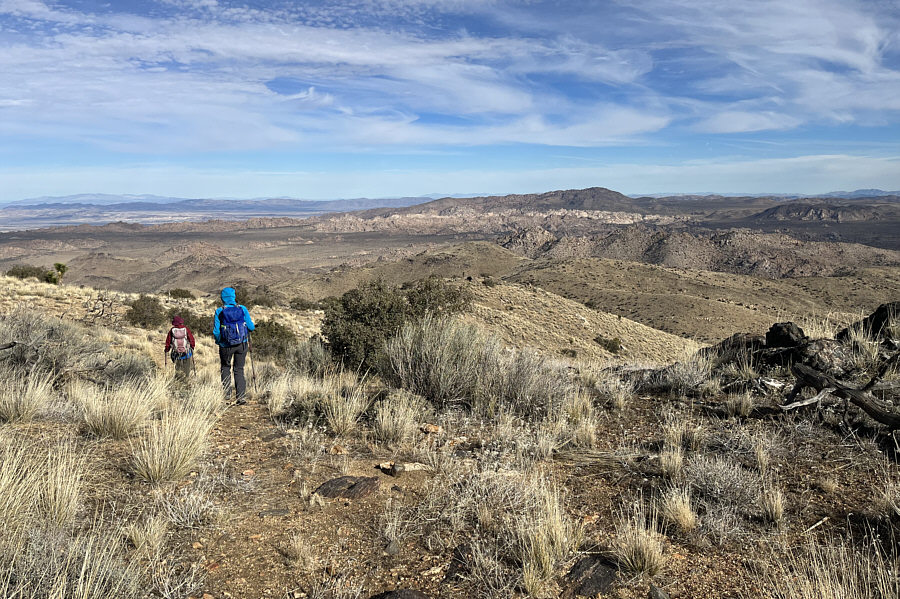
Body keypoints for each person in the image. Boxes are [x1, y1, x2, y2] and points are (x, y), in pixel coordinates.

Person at [213, 286, 255, 404]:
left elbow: (216, 331)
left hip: (225, 345)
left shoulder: (219, 311)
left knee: (225, 367)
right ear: (234, 297)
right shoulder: (242, 309)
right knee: (239, 369)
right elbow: (251, 327)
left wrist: (219, 341)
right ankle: (241, 396)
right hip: (241, 344)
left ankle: (226, 394)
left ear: (222, 298)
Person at [165, 315, 195, 382]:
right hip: (187, 353)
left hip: (176, 353)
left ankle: (178, 381)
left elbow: (168, 341)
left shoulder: (172, 330)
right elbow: (191, 339)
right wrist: (192, 347)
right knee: (187, 369)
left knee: (178, 369)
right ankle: (186, 380)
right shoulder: (185, 329)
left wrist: (167, 349)